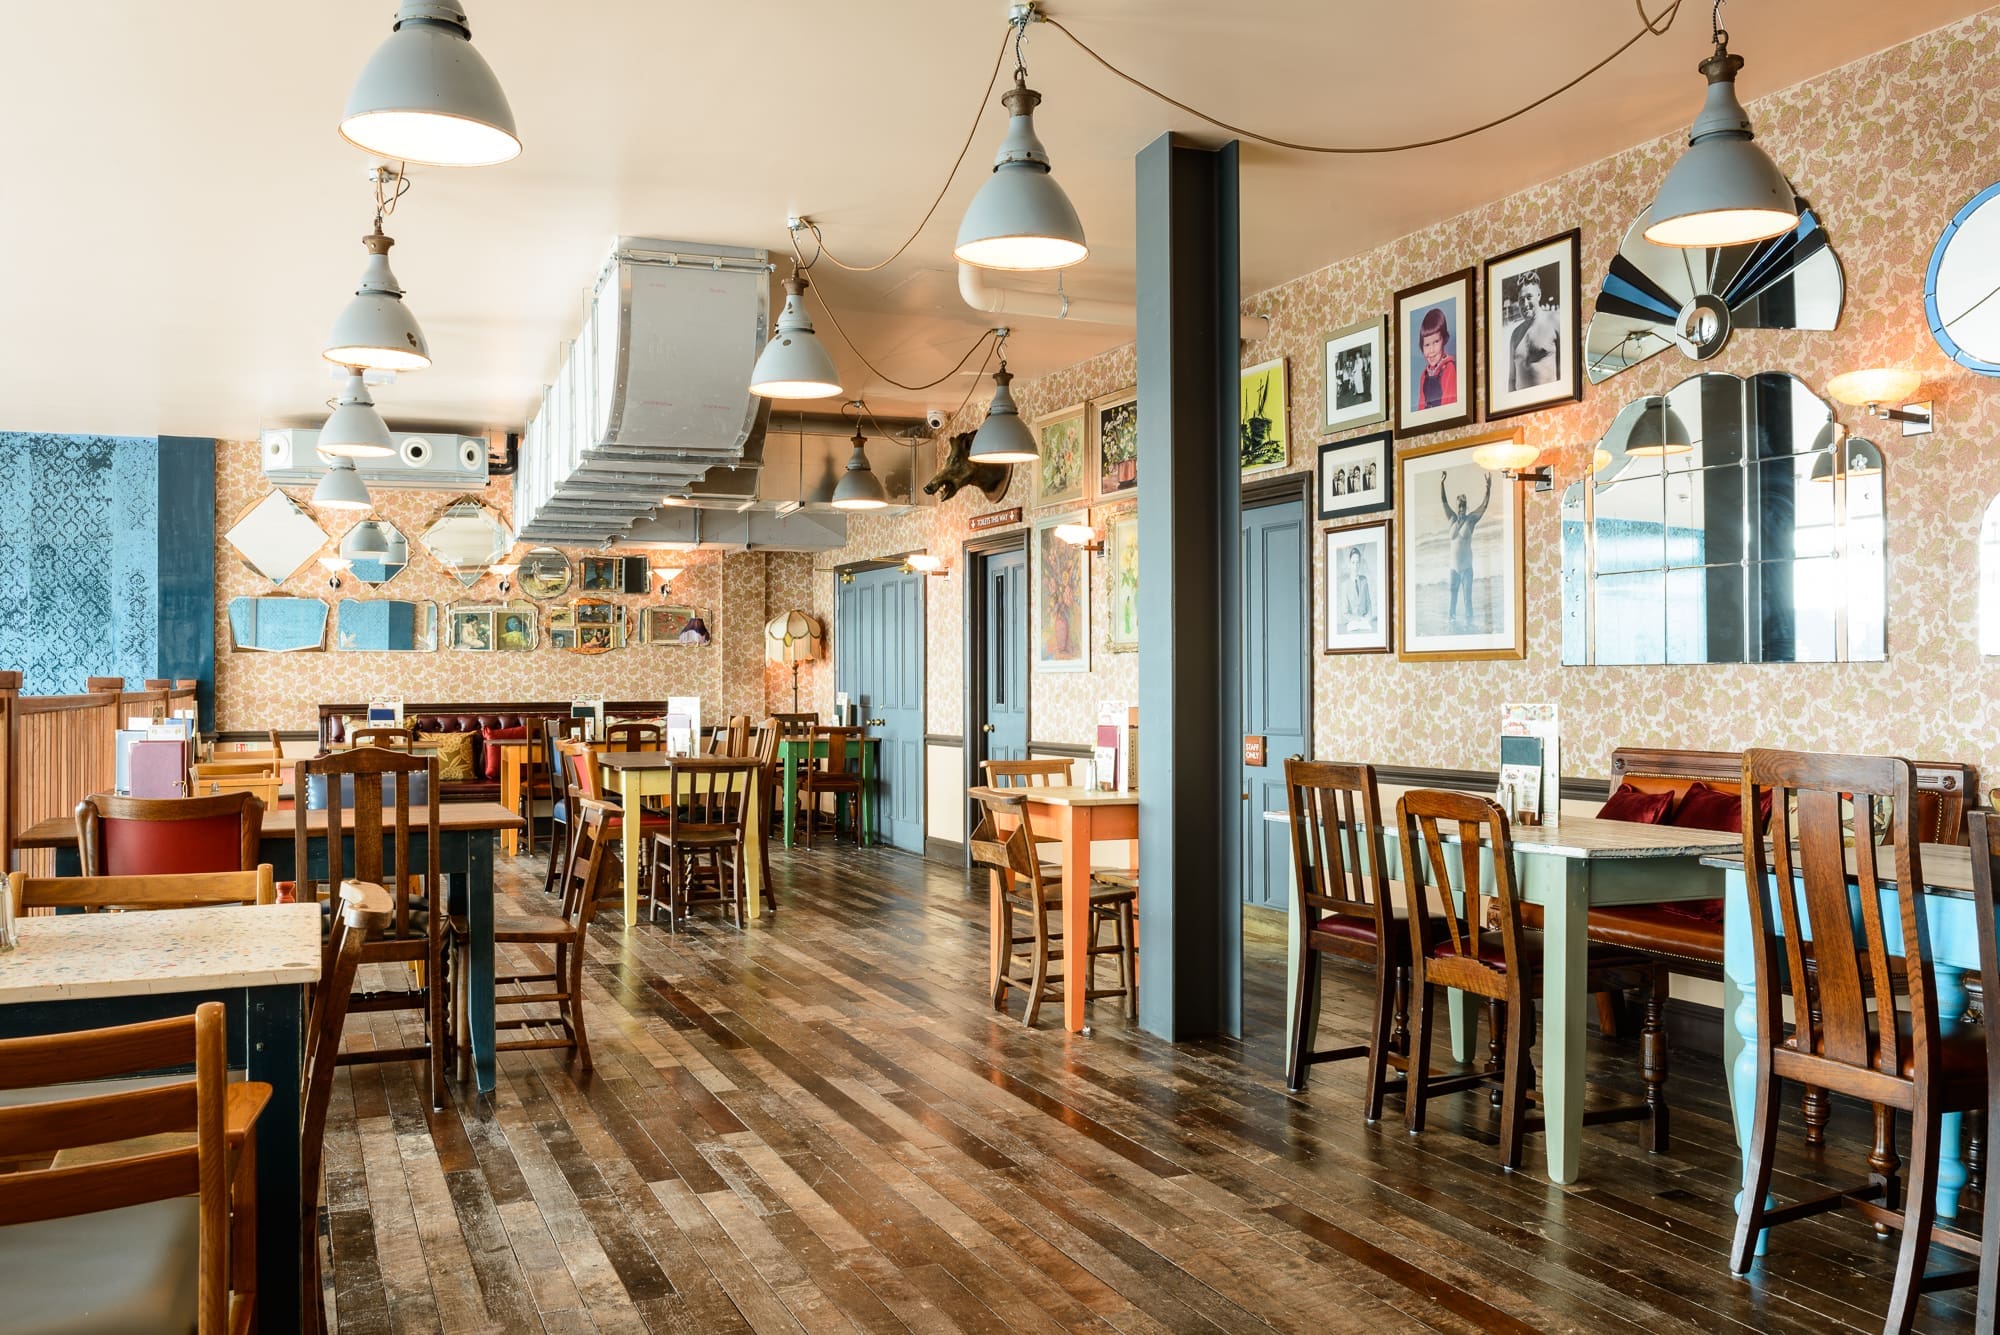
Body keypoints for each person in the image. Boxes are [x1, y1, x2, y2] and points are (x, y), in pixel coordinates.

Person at [1442, 471, 1493, 626]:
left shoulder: (1471, 520)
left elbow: (1484, 506)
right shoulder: (1451, 518)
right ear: (1456, 506)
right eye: (1459, 505)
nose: (1461, 508)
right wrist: (1441, 483)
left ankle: (1469, 626)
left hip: (1466, 569)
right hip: (1453, 569)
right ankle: (1451, 627)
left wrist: (1488, 488)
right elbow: (1443, 501)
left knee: (1467, 600)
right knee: (1452, 600)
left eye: (1464, 505)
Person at [1507, 268, 1561, 391]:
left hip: (1550, 402)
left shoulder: (1555, 321)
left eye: (1529, 297)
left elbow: (1566, 371)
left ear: (1539, 295)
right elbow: (1511, 379)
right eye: (1521, 299)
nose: (1525, 304)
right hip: (1520, 406)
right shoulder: (1515, 334)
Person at [1416, 306, 1456, 411]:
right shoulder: (1424, 376)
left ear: (1444, 340)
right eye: (1427, 345)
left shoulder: (1449, 368)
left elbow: (1449, 405)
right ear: (1422, 347)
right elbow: (1420, 407)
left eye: (1436, 342)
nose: (1432, 350)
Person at [1337, 546, 1375, 632]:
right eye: (1353, 562)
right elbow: (1345, 612)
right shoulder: (1345, 585)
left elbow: (1369, 603)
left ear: (1360, 564)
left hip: (1364, 623)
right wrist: (1358, 619)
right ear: (1349, 564)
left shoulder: (1364, 580)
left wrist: (1368, 616)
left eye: (1357, 563)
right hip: (1352, 624)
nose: (1355, 566)